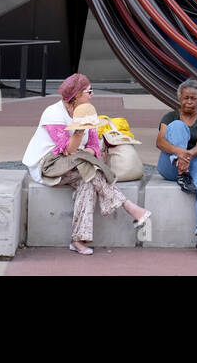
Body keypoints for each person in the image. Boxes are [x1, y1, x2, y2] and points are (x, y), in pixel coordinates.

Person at [21, 74, 150, 255]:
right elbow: (67, 150)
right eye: (89, 91)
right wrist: (80, 131)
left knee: (88, 181)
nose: (92, 95)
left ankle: (78, 240)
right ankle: (130, 207)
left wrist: (85, 150)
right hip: (48, 164)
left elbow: (94, 148)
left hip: (79, 165)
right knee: (89, 170)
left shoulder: (89, 111)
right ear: (77, 94)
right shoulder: (53, 113)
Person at [155, 78, 197, 255]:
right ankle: (181, 174)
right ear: (179, 99)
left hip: (194, 160)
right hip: (168, 163)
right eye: (186, 98)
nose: (189, 102)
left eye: (193, 98)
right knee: (177, 126)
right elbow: (160, 141)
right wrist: (179, 153)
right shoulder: (170, 116)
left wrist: (188, 155)